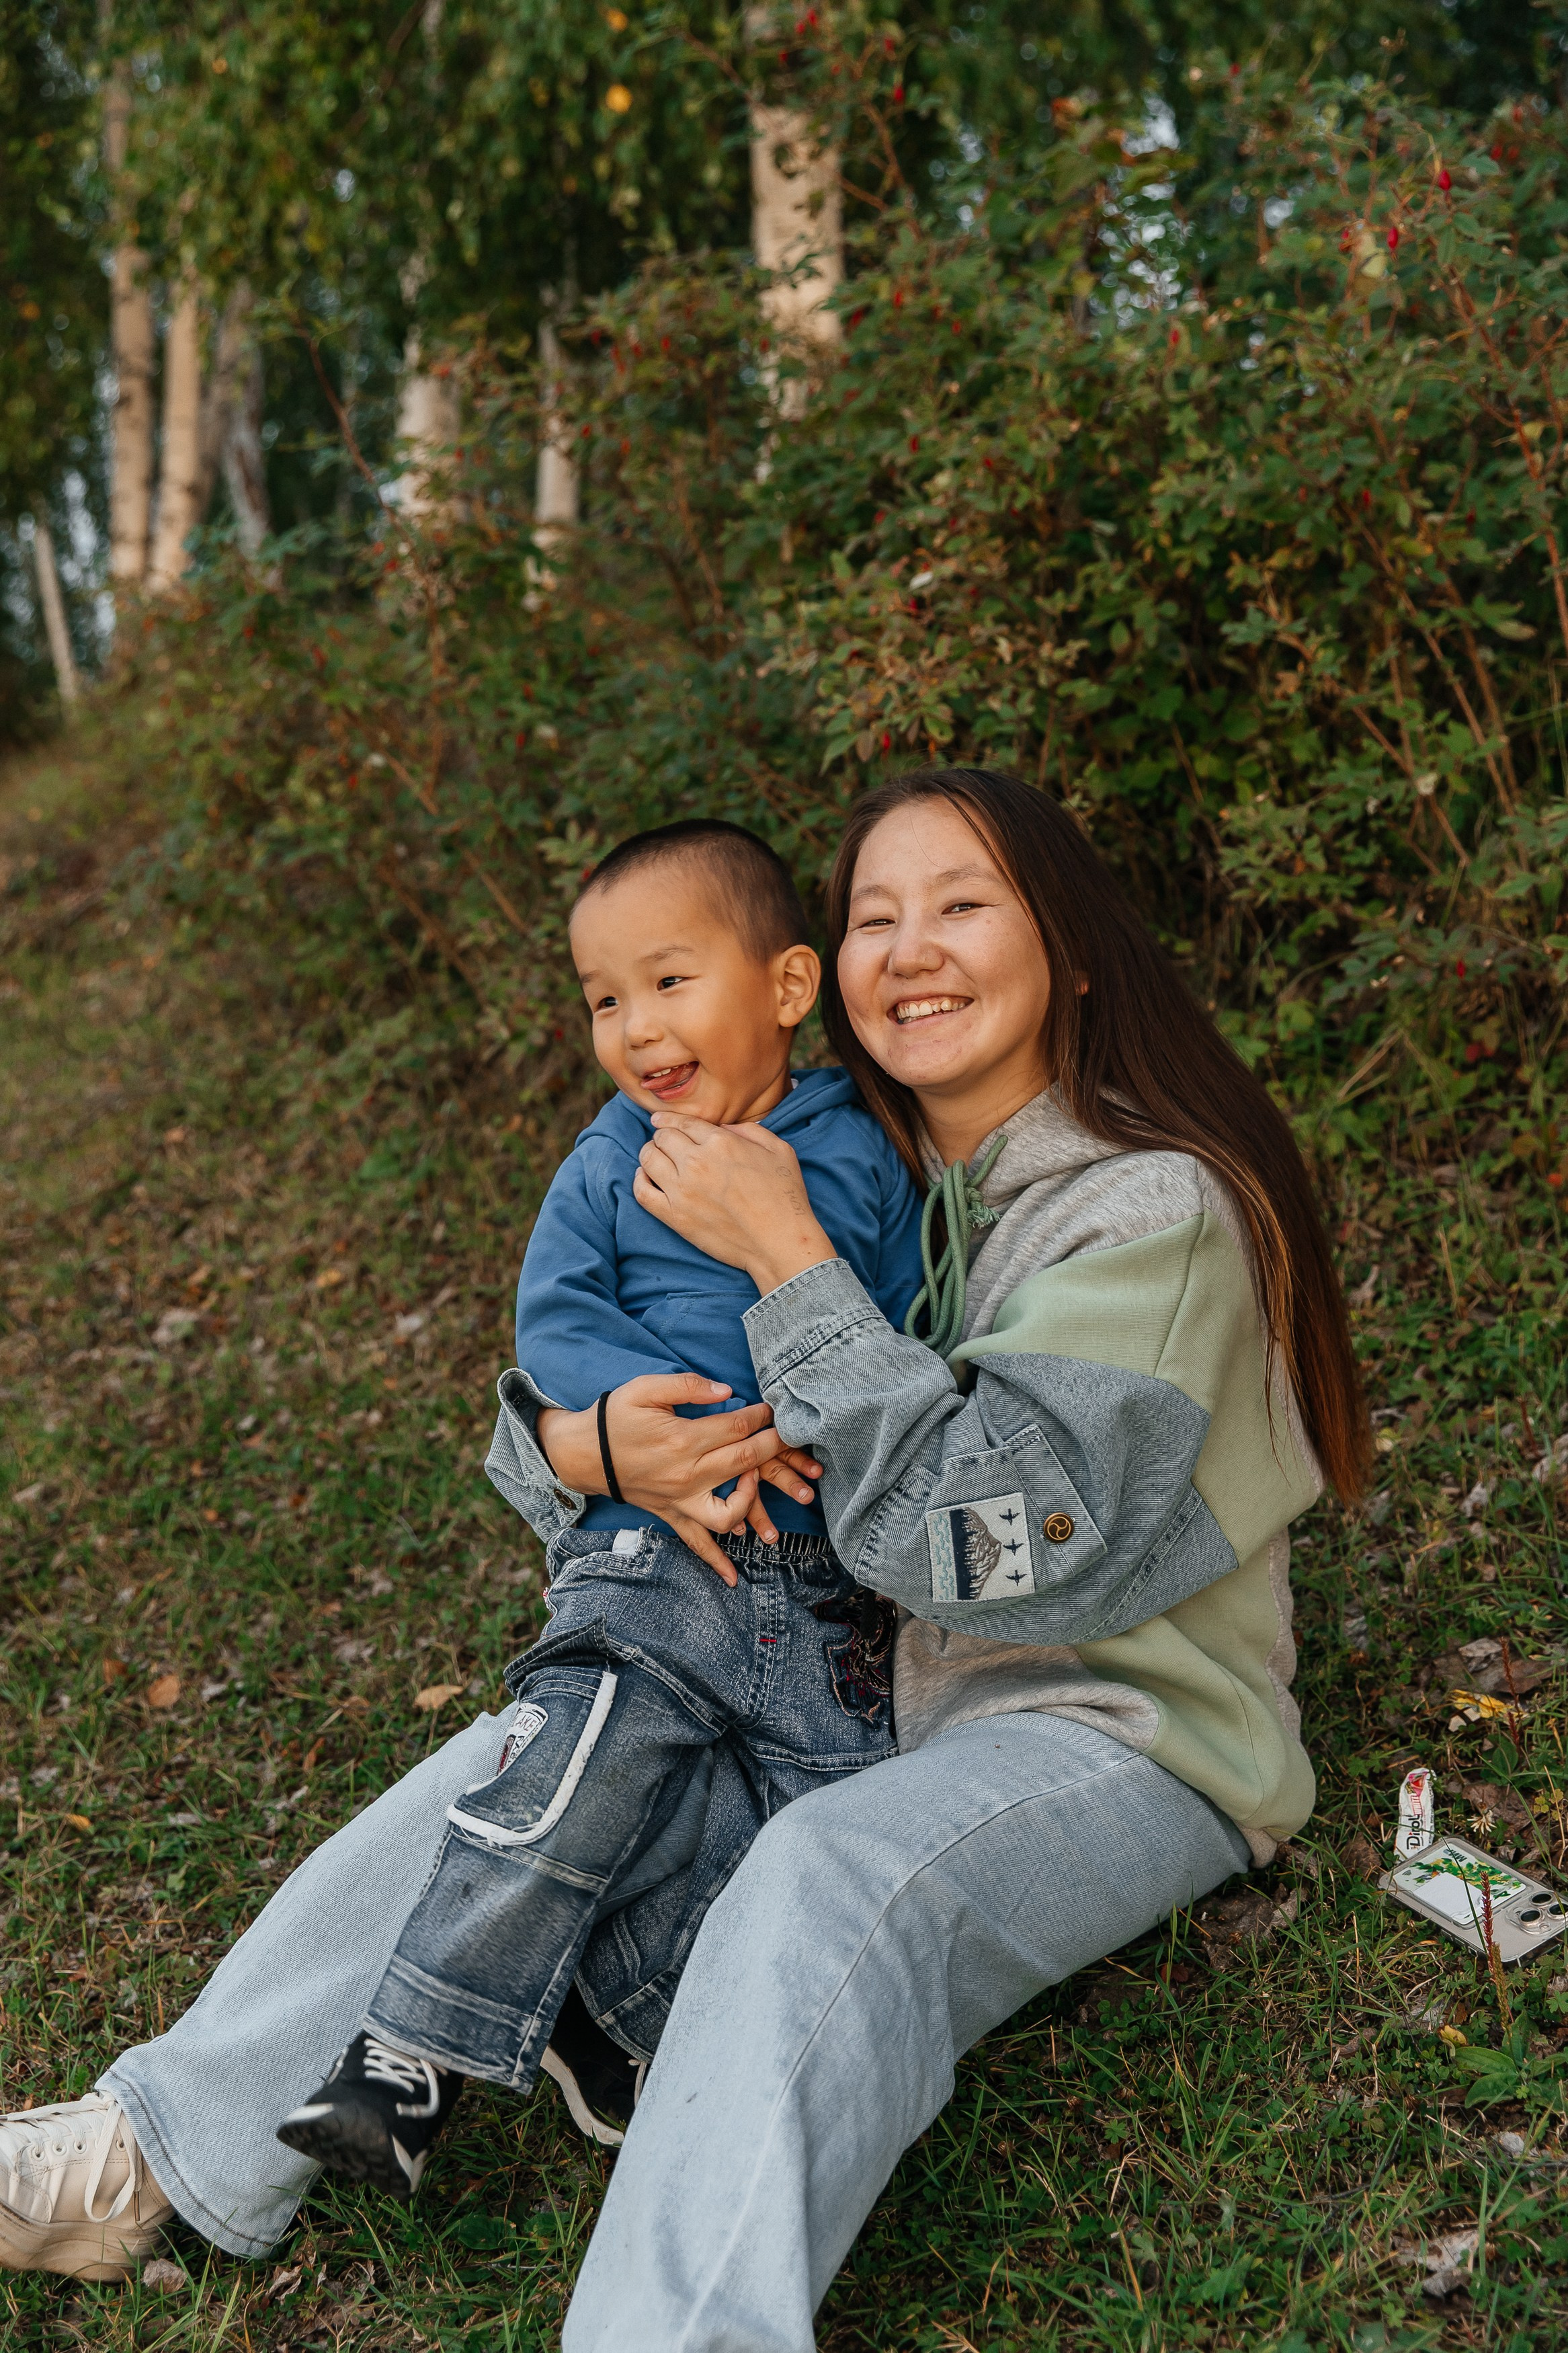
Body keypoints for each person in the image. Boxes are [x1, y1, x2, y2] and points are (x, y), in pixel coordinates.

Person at [0, 769, 1367, 2353]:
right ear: (821, 972)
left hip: (1107, 1729)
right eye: (875, 915)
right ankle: (145, 2155)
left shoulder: (1147, 1207)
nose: (912, 948)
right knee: (522, 1758)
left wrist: (787, 1257)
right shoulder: (856, 1161)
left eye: (964, 904)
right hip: (839, 1696)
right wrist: (594, 1450)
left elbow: (998, 1550)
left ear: (1069, 950)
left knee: (824, 1879)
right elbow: (580, 1406)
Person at [273, 818, 921, 2194]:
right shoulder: (608, 1162)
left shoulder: (862, 1150)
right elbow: (555, 1319)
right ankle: (407, 2051)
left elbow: (904, 1329)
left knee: (810, 1828)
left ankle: (606, 2009)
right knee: (584, 1764)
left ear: (789, 989)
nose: (634, 1027)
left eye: (669, 982)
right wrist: (648, 1433)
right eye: (603, 1000)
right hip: (662, 1545)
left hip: (826, 1598)